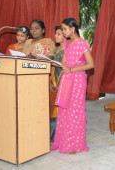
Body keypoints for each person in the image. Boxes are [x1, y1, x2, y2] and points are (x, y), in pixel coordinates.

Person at [51, 18, 94, 154]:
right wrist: (60, 65)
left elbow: (91, 64)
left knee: (75, 111)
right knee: (65, 110)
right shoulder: (68, 43)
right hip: (66, 79)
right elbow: (65, 62)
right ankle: (65, 140)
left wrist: (71, 70)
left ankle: (75, 144)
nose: (63, 32)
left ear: (73, 29)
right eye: (62, 30)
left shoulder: (82, 43)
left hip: (78, 80)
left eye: (64, 29)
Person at [49, 26, 66, 143]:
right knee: (52, 109)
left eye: (59, 34)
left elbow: (66, 66)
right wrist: (50, 80)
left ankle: (59, 137)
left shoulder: (68, 50)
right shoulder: (56, 50)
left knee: (60, 110)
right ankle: (51, 137)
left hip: (63, 81)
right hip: (53, 81)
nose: (56, 36)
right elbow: (51, 66)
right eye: (56, 33)